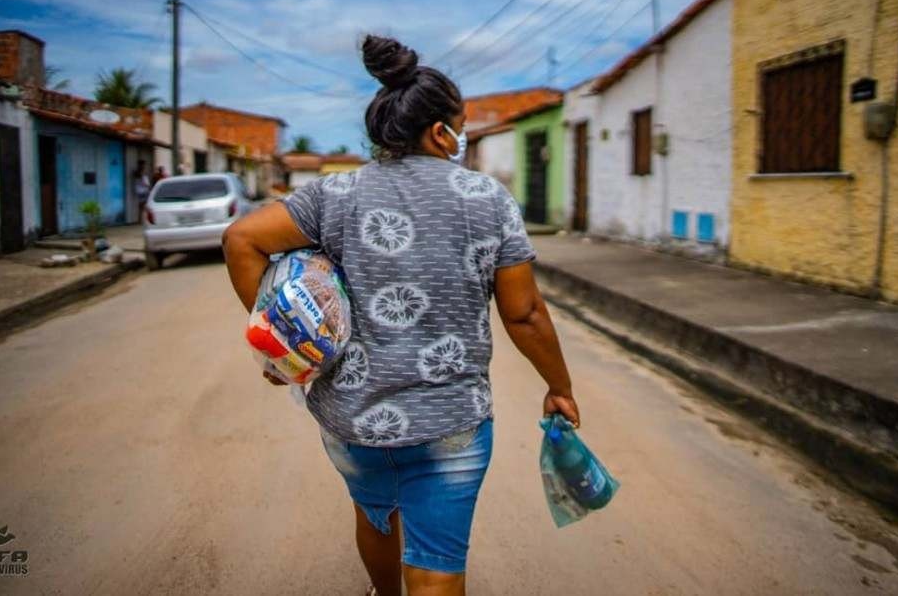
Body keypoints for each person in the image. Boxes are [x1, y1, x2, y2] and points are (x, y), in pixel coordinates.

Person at [222, 35, 580, 596]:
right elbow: (526, 313)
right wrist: (558, 385)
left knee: (375, 515)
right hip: (452, 421)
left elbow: (241, 238)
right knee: (438, 559)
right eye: (459, 125)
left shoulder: (332, 195)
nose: (460, 136)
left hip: (353, 419)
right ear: (441, 131)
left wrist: (284, 346)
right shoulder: (489, 199)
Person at [131, 159, 151, 224]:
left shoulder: (136, 172)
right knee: (146, 205)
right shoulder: (142, 173)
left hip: (139, 191)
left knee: (141, 206)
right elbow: (146, 183)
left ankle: (140, 220)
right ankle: (144, 220)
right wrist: (149, 187)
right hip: (144, 191)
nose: (144, 166)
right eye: (144, 164)